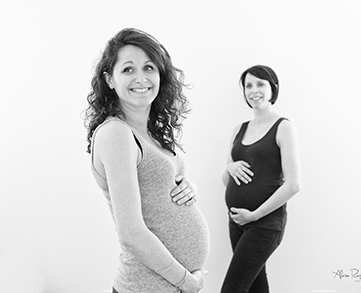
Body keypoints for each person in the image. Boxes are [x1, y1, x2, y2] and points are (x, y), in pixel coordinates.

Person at [83, 28, 209, 293]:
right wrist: (186, 281)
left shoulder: (148, 132)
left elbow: (156, 188)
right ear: (109, 79)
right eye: (128, 69)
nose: (140, 78)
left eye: (149, 67)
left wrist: (188, 188)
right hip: (148, 287)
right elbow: (130, 233)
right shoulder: (116, 133)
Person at [221, 65, 301, 293]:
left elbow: (294, 185)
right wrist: (230, 166)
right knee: (256, 286)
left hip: (265, 224)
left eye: (260, 84)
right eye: (248, 85)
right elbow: (226, 180)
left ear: (272, 88)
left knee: (232, 289)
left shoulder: (283, 127)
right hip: (237, 221)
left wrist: (254, 215)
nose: (253, 90)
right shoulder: (239, 129)